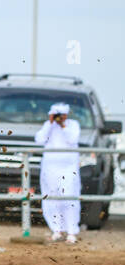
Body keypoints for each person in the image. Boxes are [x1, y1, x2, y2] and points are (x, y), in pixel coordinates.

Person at [35, 102, 82, 244]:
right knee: (52, 198)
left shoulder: (73, 125)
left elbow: (73, 139)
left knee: (68, 196)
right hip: (50, 167)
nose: (58, 118)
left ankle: (72, 231)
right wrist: (50, 124)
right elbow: (39, 139)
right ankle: (57, 230)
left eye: (60, 115)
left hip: (68, 167)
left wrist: (63, 125)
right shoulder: (47, 126)